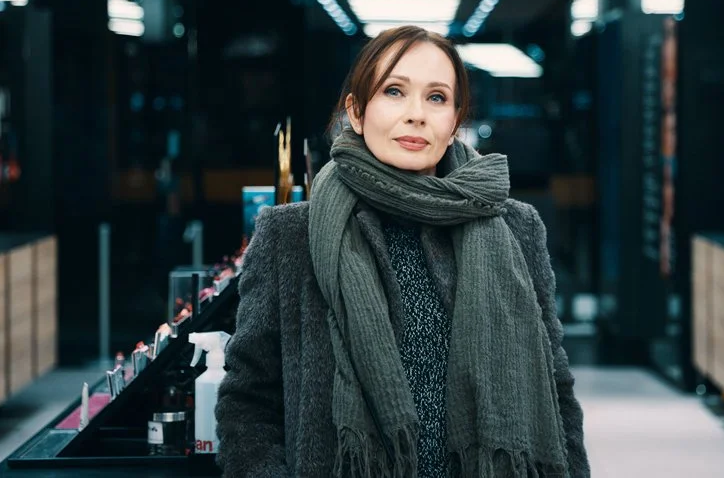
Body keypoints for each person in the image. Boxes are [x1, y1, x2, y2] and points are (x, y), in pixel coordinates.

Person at [215, 25, 590, 477]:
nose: (416, 114)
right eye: (394, 91)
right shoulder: (291, 235)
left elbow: (555, 387)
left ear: (455, 119)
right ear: (356, 111)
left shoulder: (514, 227)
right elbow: (249, 399)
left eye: (436, 98)